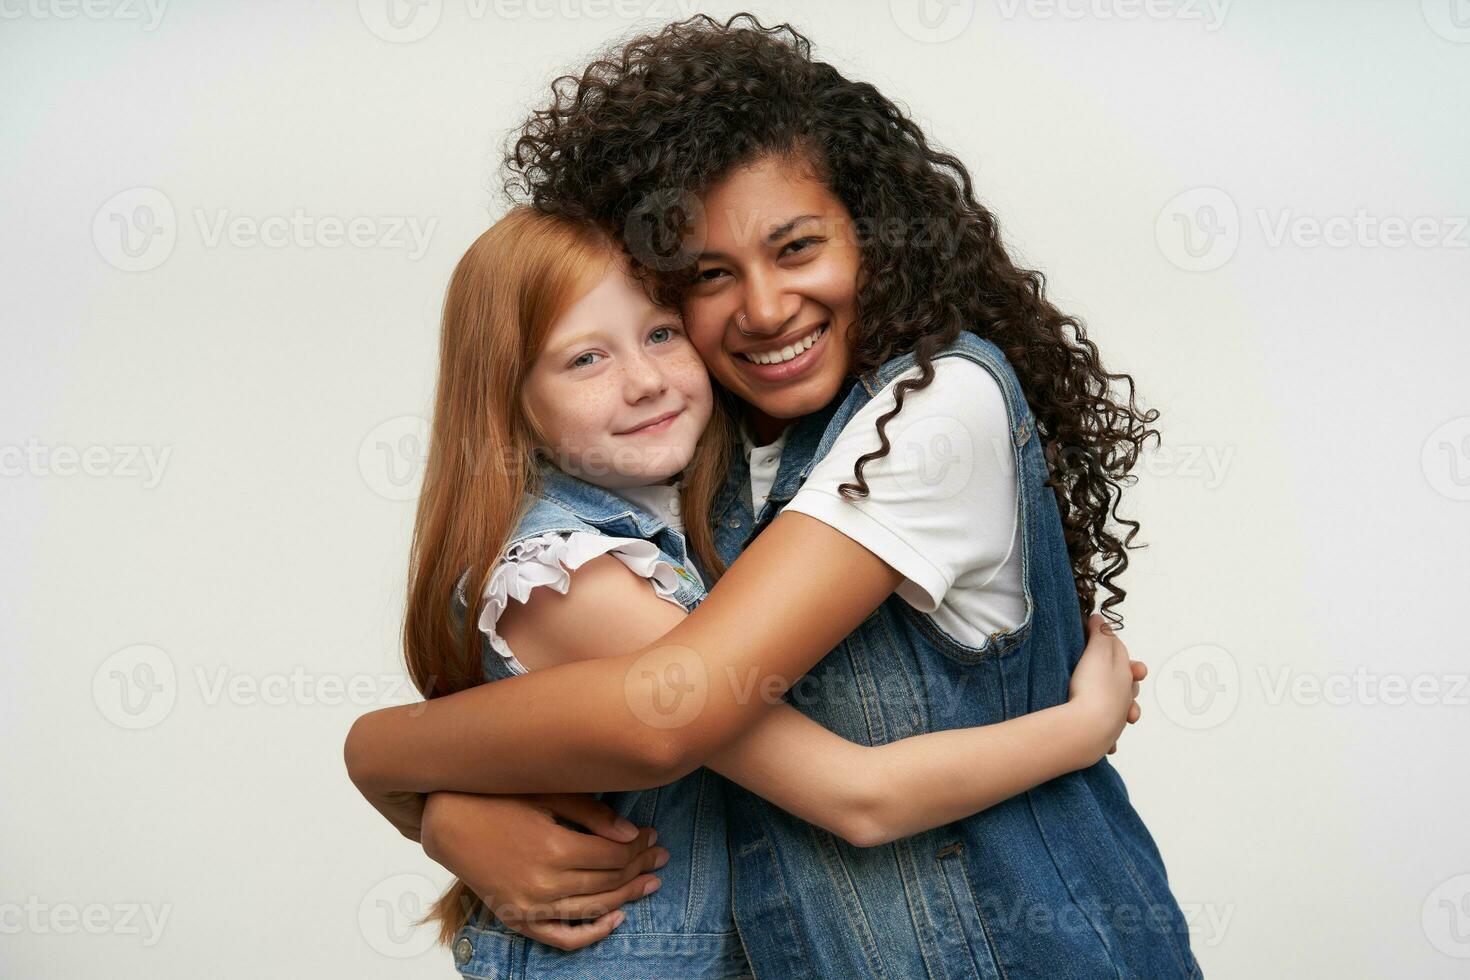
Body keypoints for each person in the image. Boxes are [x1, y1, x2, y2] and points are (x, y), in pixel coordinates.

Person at [347, 14, 1200, 978]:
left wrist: (386, 761)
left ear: (872, 235)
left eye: (796, 248)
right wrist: (440, 805)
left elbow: (674, 712)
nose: (762, 308)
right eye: (710, 277)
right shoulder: (688, 479)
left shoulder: (932, 408)